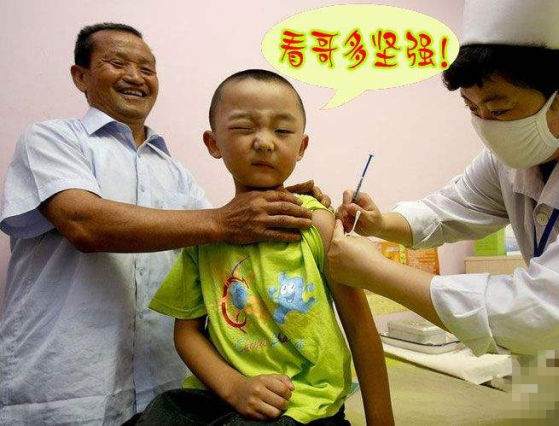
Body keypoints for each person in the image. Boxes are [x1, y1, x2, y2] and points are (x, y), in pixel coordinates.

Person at [0, 24, 330, 425]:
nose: (135, 77)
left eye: (147, 68)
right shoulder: (50, 139)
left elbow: (226, 237)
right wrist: (226, 219)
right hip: (68, 387)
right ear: (80, 76)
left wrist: (276, 197)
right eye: (117, 63)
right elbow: (83, 223)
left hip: (160, 388)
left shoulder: (174, 171)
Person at [327, 0, 559, 420]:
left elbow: (541, 308)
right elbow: (454, 205)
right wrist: (382, 224)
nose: (487, 124)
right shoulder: (524, 147)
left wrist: (375, 272)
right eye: (472, 108)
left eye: (499, 109)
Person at [130, 69, 393, 425]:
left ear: (301, 147)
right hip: (221, 395)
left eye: (282, 131)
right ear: (213, 143)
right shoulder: (205, 234)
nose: (265, 142)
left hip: (303, 407)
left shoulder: (318, 226)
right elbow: (187, 333)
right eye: (243, 127)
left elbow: (360, 329)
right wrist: (234, 387)